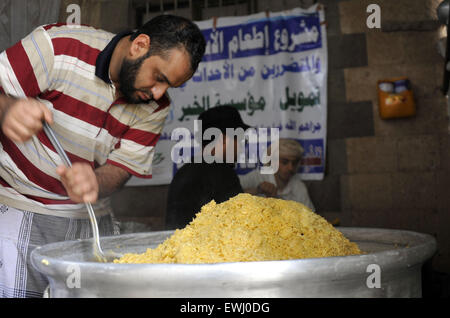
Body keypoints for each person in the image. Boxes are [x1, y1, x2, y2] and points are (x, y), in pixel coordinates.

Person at [0, 15, 205, 297]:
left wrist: (95, 182)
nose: (159, 93)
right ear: (139, 46)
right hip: (21, 210)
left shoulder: (156, 106)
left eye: (170, 86)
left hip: (94, 225)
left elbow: (121, 169)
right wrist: (7, 108)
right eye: (159, 78)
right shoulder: (60, 46)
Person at [165, 106, 250, 230]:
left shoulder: (184, 171)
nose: (241, 149)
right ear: (224, 139)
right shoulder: (222, 172)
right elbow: (241, 223)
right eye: (239, 140)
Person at [239, 138, 315, 211]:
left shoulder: (298, 187)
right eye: (285, 162)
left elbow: (310, 217)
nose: (290, 168)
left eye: (294, 163)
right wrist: (257, 190)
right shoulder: (256, 176)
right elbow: (229, 194)